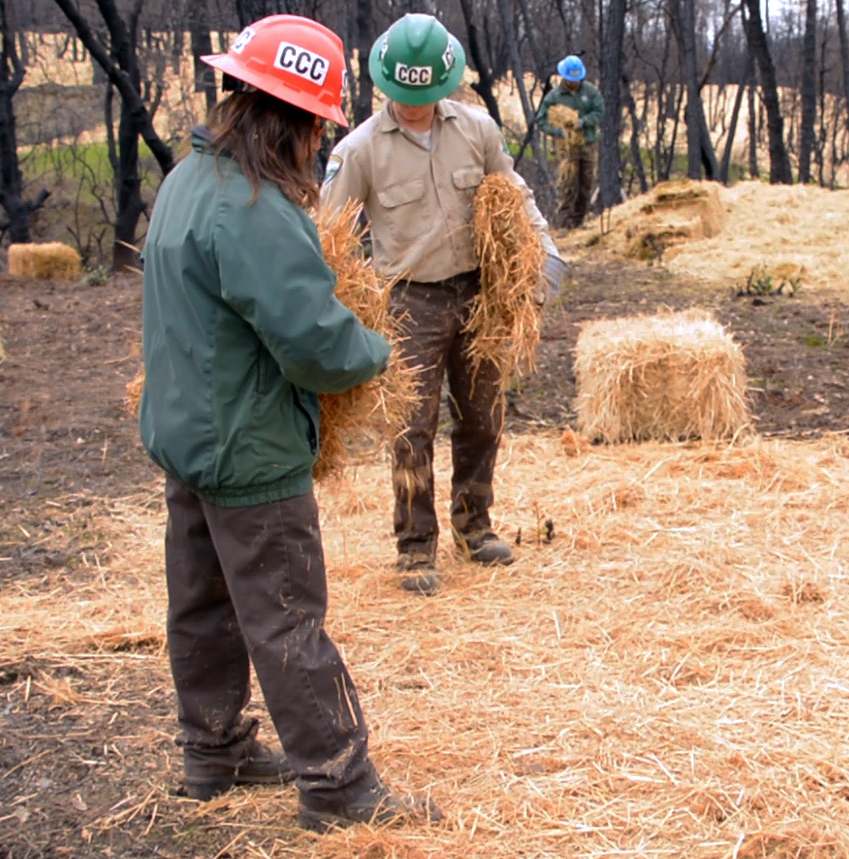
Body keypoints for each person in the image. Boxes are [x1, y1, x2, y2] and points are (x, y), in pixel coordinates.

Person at [138, 14, 440, 831]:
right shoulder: (254, 210)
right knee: (287, 616)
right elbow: (315, 345)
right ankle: (340, 786)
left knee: (202, 604)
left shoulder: (184, 182)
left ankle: (215, 749)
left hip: (187, 440)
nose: (318, 142)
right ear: (297, 119)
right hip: (247, 452)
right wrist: (376, 348)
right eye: (317, 124)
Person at [323, 14, 566, 595]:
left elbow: (513, 196)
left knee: (484, 416)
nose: (414, 106)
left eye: (425, 95)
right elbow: (326, 235)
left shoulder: (477, 129)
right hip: (408, 302)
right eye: (404, 96)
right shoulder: (359, 150)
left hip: (478, 292)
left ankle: (474, 526)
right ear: (386, 83)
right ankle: (414, 548)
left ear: (445, 83)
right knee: (411, 428)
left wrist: (546, 252)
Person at [535, 54, 605, 229]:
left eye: (577, 79)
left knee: (586, 184)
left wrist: (583, 122)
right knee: (568, 184)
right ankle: (565, 224)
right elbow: (541, 120)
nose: (574, 83)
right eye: (570, 79)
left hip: (587, 144)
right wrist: (556, 131)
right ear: (564, 77)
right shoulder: (554, 97)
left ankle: (579, 221)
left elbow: (599, 111)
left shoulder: (590, 92)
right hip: (566, 149)